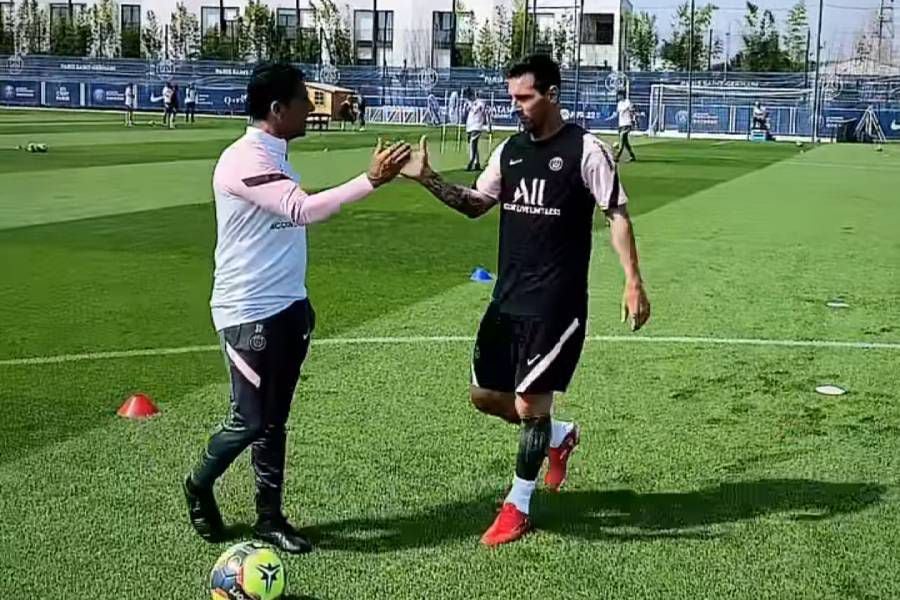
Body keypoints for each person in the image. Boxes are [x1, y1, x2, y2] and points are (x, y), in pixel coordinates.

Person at [400, 54, 650, 546]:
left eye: (524, 97)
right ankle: (560, 437)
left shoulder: (586, 150)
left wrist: (633, 280)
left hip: (555, 303)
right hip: (507, 297)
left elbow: (616, 214)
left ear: (552, 94)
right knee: (484, 397)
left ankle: (517, 506)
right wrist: (427, 178)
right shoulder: (509, 151)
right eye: (511, 96)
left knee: (531, 405)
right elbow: (476, 205)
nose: (515, 106)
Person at [182, 62, 411, 555]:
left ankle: (269, 518)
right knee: (248, 420)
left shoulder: (277, 155)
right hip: (248, 311)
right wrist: (370, 180)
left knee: (273, 421)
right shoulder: (242, 160)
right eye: (305, 100)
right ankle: (198, 485)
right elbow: (301, 210)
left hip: (288, 306)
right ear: (277, 109)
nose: (313, 107)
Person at [607, 89, 637, 162]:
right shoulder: (619, 103)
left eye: (618, 95)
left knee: (622, 140)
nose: (617, 97)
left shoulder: (627, 102)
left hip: (627, 124)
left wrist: (633, 120)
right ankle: (632, 156)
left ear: (622, 95)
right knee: (625, 142)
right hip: (621, 125)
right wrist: (609, 118)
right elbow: (617, 113)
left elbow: (632, 111)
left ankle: (616, 157)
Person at [464, 89, 490, 171]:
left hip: (477, 126)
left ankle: (470, 163)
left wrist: (489, 125)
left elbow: (486, 114)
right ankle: (477, 163)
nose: (468, 98)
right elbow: (466, 114)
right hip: (470, 127)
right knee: (474, 146)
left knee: (472, 143)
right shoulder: (469, 103)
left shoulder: (481, 103)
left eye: (468, 96)